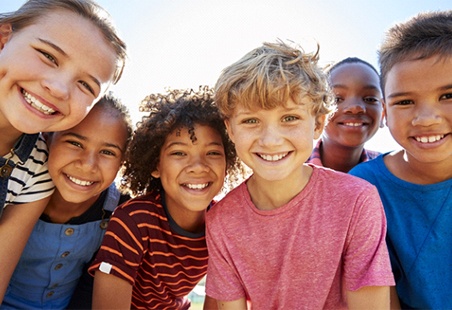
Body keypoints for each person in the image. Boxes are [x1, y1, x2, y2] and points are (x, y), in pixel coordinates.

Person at [205, 40, 395, 309]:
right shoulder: (221, 220)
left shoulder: (357, 200)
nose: (270, 140)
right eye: (251, 121)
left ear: (318, 124)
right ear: (231, 129)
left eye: (289, 118)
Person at [0, 0, 126, 301]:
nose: (58, 88)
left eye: (86, 85)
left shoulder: (36, 170)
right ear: (4, 38)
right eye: (48, 56)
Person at [89, 87, 244, 309]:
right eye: (179, 153)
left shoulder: (224, 225)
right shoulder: (134, 220)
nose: (198, 167)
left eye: (213, 153)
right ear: (156, 165)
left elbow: (218, 300)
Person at [349, 11, 452, 309]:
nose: (426, 119)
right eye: (404, 102)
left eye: (448, 95)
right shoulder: (364, 189)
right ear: (384, 110)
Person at [0, 94, 132, 309]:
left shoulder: (121, 211)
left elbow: (92, 287)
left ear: (123, 161)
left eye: (107, 152)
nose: (88, 165)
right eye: (75, 143)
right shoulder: (15, 187)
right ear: (46, 138)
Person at [307, 57, 384, 172]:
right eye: (337, 99)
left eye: (370, 99)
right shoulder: (290, 171)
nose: (355, 107)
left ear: (383, 113)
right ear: (318, 113)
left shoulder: (393, 174)